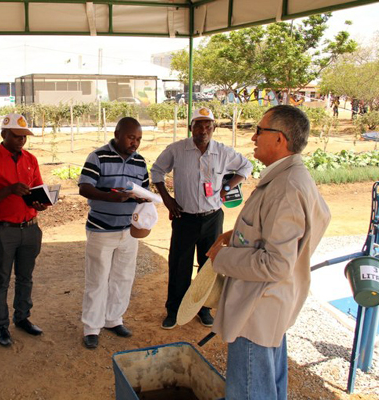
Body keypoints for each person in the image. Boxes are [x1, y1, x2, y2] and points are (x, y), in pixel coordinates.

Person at [206, 105, 331, 399]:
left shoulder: (286, 186)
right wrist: (237, 235)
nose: (253, 137)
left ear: (280, 139)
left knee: (251, 391)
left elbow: (276, 264)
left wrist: (220, 259)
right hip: (269, 304)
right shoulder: (289, 177)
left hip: (257, 310)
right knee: (267, 387)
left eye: (260, 130)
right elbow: (307, 224)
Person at [150, 107, 252, 330]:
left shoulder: (223, 152)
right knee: (179, 266)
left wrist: (226, 187)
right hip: (184, 218)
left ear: (213, 129)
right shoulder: (177, 150)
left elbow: (247, 166)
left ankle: (203, 309)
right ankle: (174, 311)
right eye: (199, 126)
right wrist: (167, 200)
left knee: (209, 266)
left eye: (208, 126)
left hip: (212, 218)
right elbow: (156, 172)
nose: (203, 131)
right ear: (191, 128)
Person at [78, 117, 149, 349]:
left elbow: (145, 191)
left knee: (123, 277)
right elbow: (84, 187)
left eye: (138, 139)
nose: (135, 143)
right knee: (97, 279)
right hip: (101, 229)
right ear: (117, 133)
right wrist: (112, 196)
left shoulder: (140, 162)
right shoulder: (97, 157)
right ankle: (91, 327)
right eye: (131, 137)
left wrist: (143, 197)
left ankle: (113, 319)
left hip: (128, 231)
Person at [0, 113, 47, 348]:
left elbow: (38, 189)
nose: (21, 141)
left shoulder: (31, 159)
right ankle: (1, 326)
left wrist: (41, 202)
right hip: (4, 230)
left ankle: (22, 317)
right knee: (1, 279)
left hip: (30, 228)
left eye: (24, 136)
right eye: (16, 136)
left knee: (25, 277)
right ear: (3, 134)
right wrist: (9, 190)